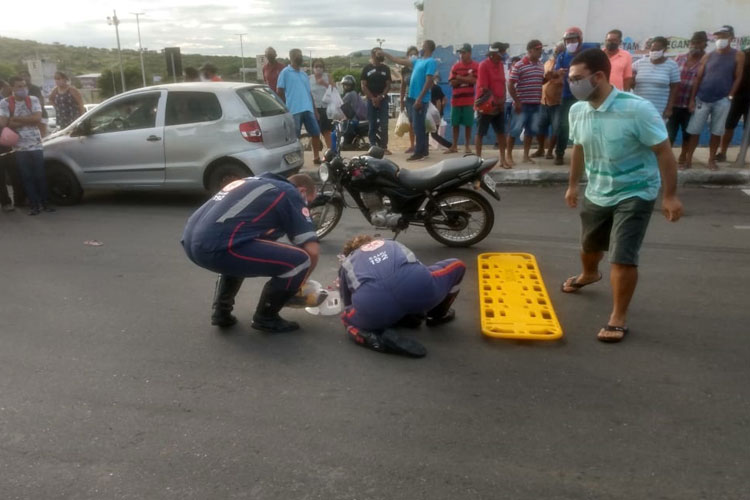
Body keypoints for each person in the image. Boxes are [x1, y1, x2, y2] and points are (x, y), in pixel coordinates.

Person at [562, 49, 682, 343]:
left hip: (636, 190)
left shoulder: (638, 109)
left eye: (577, 79)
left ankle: (618, 317)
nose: (572, 84)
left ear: (599, 76)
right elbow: (578, 148)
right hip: (598, 188)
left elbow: (663, 151)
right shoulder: (578, 110)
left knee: (622, 256)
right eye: (570, 79)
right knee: (589, 244)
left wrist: (670, 196)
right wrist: (573, 185)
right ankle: (589, 274)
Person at [181, 173, 321, 333]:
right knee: (301, 260)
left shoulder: (255, 181)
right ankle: (266, 317)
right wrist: (299, 283)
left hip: (192, 242)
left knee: (242, 247)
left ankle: (221, 311)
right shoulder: (290, 192)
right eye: (308, 202)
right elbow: (312, 250)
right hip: (218, 246)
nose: (306, 207)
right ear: (302, 191)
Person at [338, 235, 466, 357]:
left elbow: (347, 301)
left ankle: (368, 336)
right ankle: (436, 315)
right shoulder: (391, 243)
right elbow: (418, 268)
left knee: (346, 317)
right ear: (371, 240)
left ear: (349, 252)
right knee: (458, 265)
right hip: (419, 291)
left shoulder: (347, 263)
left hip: (376, 307)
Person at [685, 25, 746, 170]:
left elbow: (738, 77)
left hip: (722, 100)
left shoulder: (738, 55)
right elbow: (698, 78)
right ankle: (688, 159)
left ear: (731, 38)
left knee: (716, 132)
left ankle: (711, 159)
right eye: (718, 37)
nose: (720, 40)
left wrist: (730, 95)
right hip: (702, 98)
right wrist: (692, 99)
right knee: (694, 130)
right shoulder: (708, 55)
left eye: (724, 37)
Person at [0, 76, 53, 216]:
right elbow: (4, 123)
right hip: (19, 147)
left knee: (40, 175)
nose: (23, 89)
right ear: (12, 88)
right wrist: (29, 121)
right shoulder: (5, 103)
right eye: (19, 86)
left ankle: (45, 202)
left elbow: (37, 119)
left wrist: (16, 119)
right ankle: (34, 205)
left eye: (24, 86)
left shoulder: (33, 100)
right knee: (27, 177)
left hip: (35, 144)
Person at [553, 27, 600, 165]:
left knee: (588, 124)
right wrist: (559, 74)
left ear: (579, 40)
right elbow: (556, 74)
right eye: (568, 40)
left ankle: (588, 155)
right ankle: (559, 154)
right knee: (563, 126)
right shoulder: (562, 56)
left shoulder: (589, 53)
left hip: (586, 95)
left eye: (573, 39)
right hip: (567, 95)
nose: (570, 42)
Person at [276, 48, 324, 164]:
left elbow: (309, 93)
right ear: (292, 57)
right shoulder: (285, 72)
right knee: (295, 137)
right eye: (298, 55)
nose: (300, 57)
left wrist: (315, 110)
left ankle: (316, 157)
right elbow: (279, 91)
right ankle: (295, 160)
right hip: (294, 110)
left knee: (316, 133)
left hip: (308, 108)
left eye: (301, 55)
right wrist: (284, 107)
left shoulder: (303, 74)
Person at [669, 31, 707, 168]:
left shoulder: (706, 61)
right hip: (675, 102)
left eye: (699, 42)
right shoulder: (679, 58)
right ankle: (667, 158)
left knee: (688, 133)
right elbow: (671, 78)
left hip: (692, 105)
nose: (695, 45)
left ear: (704, 44)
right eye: (693, 42)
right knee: (670, 133)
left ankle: (684, 155)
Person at [507, 40, 545, 165]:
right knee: (514, 130)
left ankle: (525, 156)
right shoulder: (519, 65)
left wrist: (548, 78)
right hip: (521, 105)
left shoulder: (540, 65)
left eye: (541, 49)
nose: (540, 52)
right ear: (530, 51)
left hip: (535, 104)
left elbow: (538, 82)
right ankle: (508, 156)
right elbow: (510, 84)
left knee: (530, 131)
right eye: (537, 49)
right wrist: (517, 101)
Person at [475, 42, 509, 165]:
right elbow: (484, 87)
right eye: (503, 51)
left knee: (501, 132)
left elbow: (502, 83)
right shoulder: (483, 65)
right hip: (487, 105)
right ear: (495, 53)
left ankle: (503, 159)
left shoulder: (500, 64)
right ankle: (477, 160)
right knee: (480, 133)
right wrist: (495, 101)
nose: (505, 54)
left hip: (499, 105)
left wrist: (503, 99)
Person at [632, 37, 680, 118]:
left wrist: (669, 108)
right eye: (652, 49)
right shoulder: (639, 63)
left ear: (664, 50)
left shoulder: (672, 65)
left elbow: (675, 88)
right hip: (639, 108)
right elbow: (629, 78)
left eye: (657, 50)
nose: (654, 52)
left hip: (659, 109)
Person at [405, 40, 437, 161]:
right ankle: (423, 151)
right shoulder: (418, 61)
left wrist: (419, 99)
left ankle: (419, 152)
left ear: (427, 48)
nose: (421, 48)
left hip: (419, 100)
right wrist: (387, 55)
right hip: (414, 98)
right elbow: (401, 61)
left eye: (423, 46)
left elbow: (429, 81)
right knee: (419, 126)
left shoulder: (430, 62)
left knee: (418, 127)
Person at [718, 45, 750, 162]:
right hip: (737, 96)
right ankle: (722, 153)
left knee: (748, 129)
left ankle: (741, 155)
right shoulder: (741, 56)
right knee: (729, 126)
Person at [447, 43, 480, 154]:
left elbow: (475, 81)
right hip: (456, 100)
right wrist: (467, 79)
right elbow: (451, 82)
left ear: (469, 53)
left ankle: (467, 146)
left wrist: (459, 78)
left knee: (468, 124)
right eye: (460, 53)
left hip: (469, 100)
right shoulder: (455, 66)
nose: (461, 55)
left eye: (464, 52)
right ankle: (454, 145)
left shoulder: (476, 66)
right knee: (454, 123)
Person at [534, 42, 564, 159]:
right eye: (556, 51)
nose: (557, 53)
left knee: (556, 129)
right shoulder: (547, 63)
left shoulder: (565, 65)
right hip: (543, 102)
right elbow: (544, 79)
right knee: (540, 128)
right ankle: (541, 149)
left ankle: (550, 151)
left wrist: (554, 77)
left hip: (557, 103)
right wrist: (550, 77)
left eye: (560, 51)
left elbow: (562, 82)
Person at [361, 48, 392, 154]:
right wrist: (372, 98)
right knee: (372, 124)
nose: (381, 55)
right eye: (379, 53)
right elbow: (363, 86)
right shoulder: (366, 69)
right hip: (371, 100)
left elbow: (388, 85)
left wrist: (381, 97)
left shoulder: (386, 69)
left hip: (383, 100)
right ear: (373, 55)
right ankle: (372, 147)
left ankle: (384, 147)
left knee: (384, 124)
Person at [309, 58, 335, 150]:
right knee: (315, 132)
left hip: (326, 107)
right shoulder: (309, 78)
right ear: (313, 68)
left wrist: (324, 83)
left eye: (320, 66)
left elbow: (334, 89)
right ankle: (316, 156)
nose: (318, 68)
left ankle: (331, 152)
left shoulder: (327, 76)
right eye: (316, 66)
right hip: (314, 108)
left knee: (326, 131)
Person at [398, 46, 419, 154]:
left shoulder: (420, 66)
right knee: (411, 123)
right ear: (407, 56)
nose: (413, 56)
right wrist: (401, 101)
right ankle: (412, 145)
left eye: (415, 54)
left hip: (420, 98)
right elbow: (403, 85)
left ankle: (420, 145)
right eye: (411, 54)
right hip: (409, 99)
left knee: (418, 122)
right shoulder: (405, 69)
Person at [340, 74, 369, 148]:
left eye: (348, 85)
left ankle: (346, 143)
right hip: (356, 118)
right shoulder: (354, 93)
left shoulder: (350, 94)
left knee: (343, 125)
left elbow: (340, 103)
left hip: (353, 119)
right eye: (345, 85)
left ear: (352, 86)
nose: (346, 87)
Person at [19, 70, 47, 137]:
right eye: (22, 76)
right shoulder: (19, 90)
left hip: (40, 115)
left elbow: (41, 102)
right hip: (28, 117)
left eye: (25, 76)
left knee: (41, 137)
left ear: (29, 77)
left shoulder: (35, 89)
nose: (24, 78)